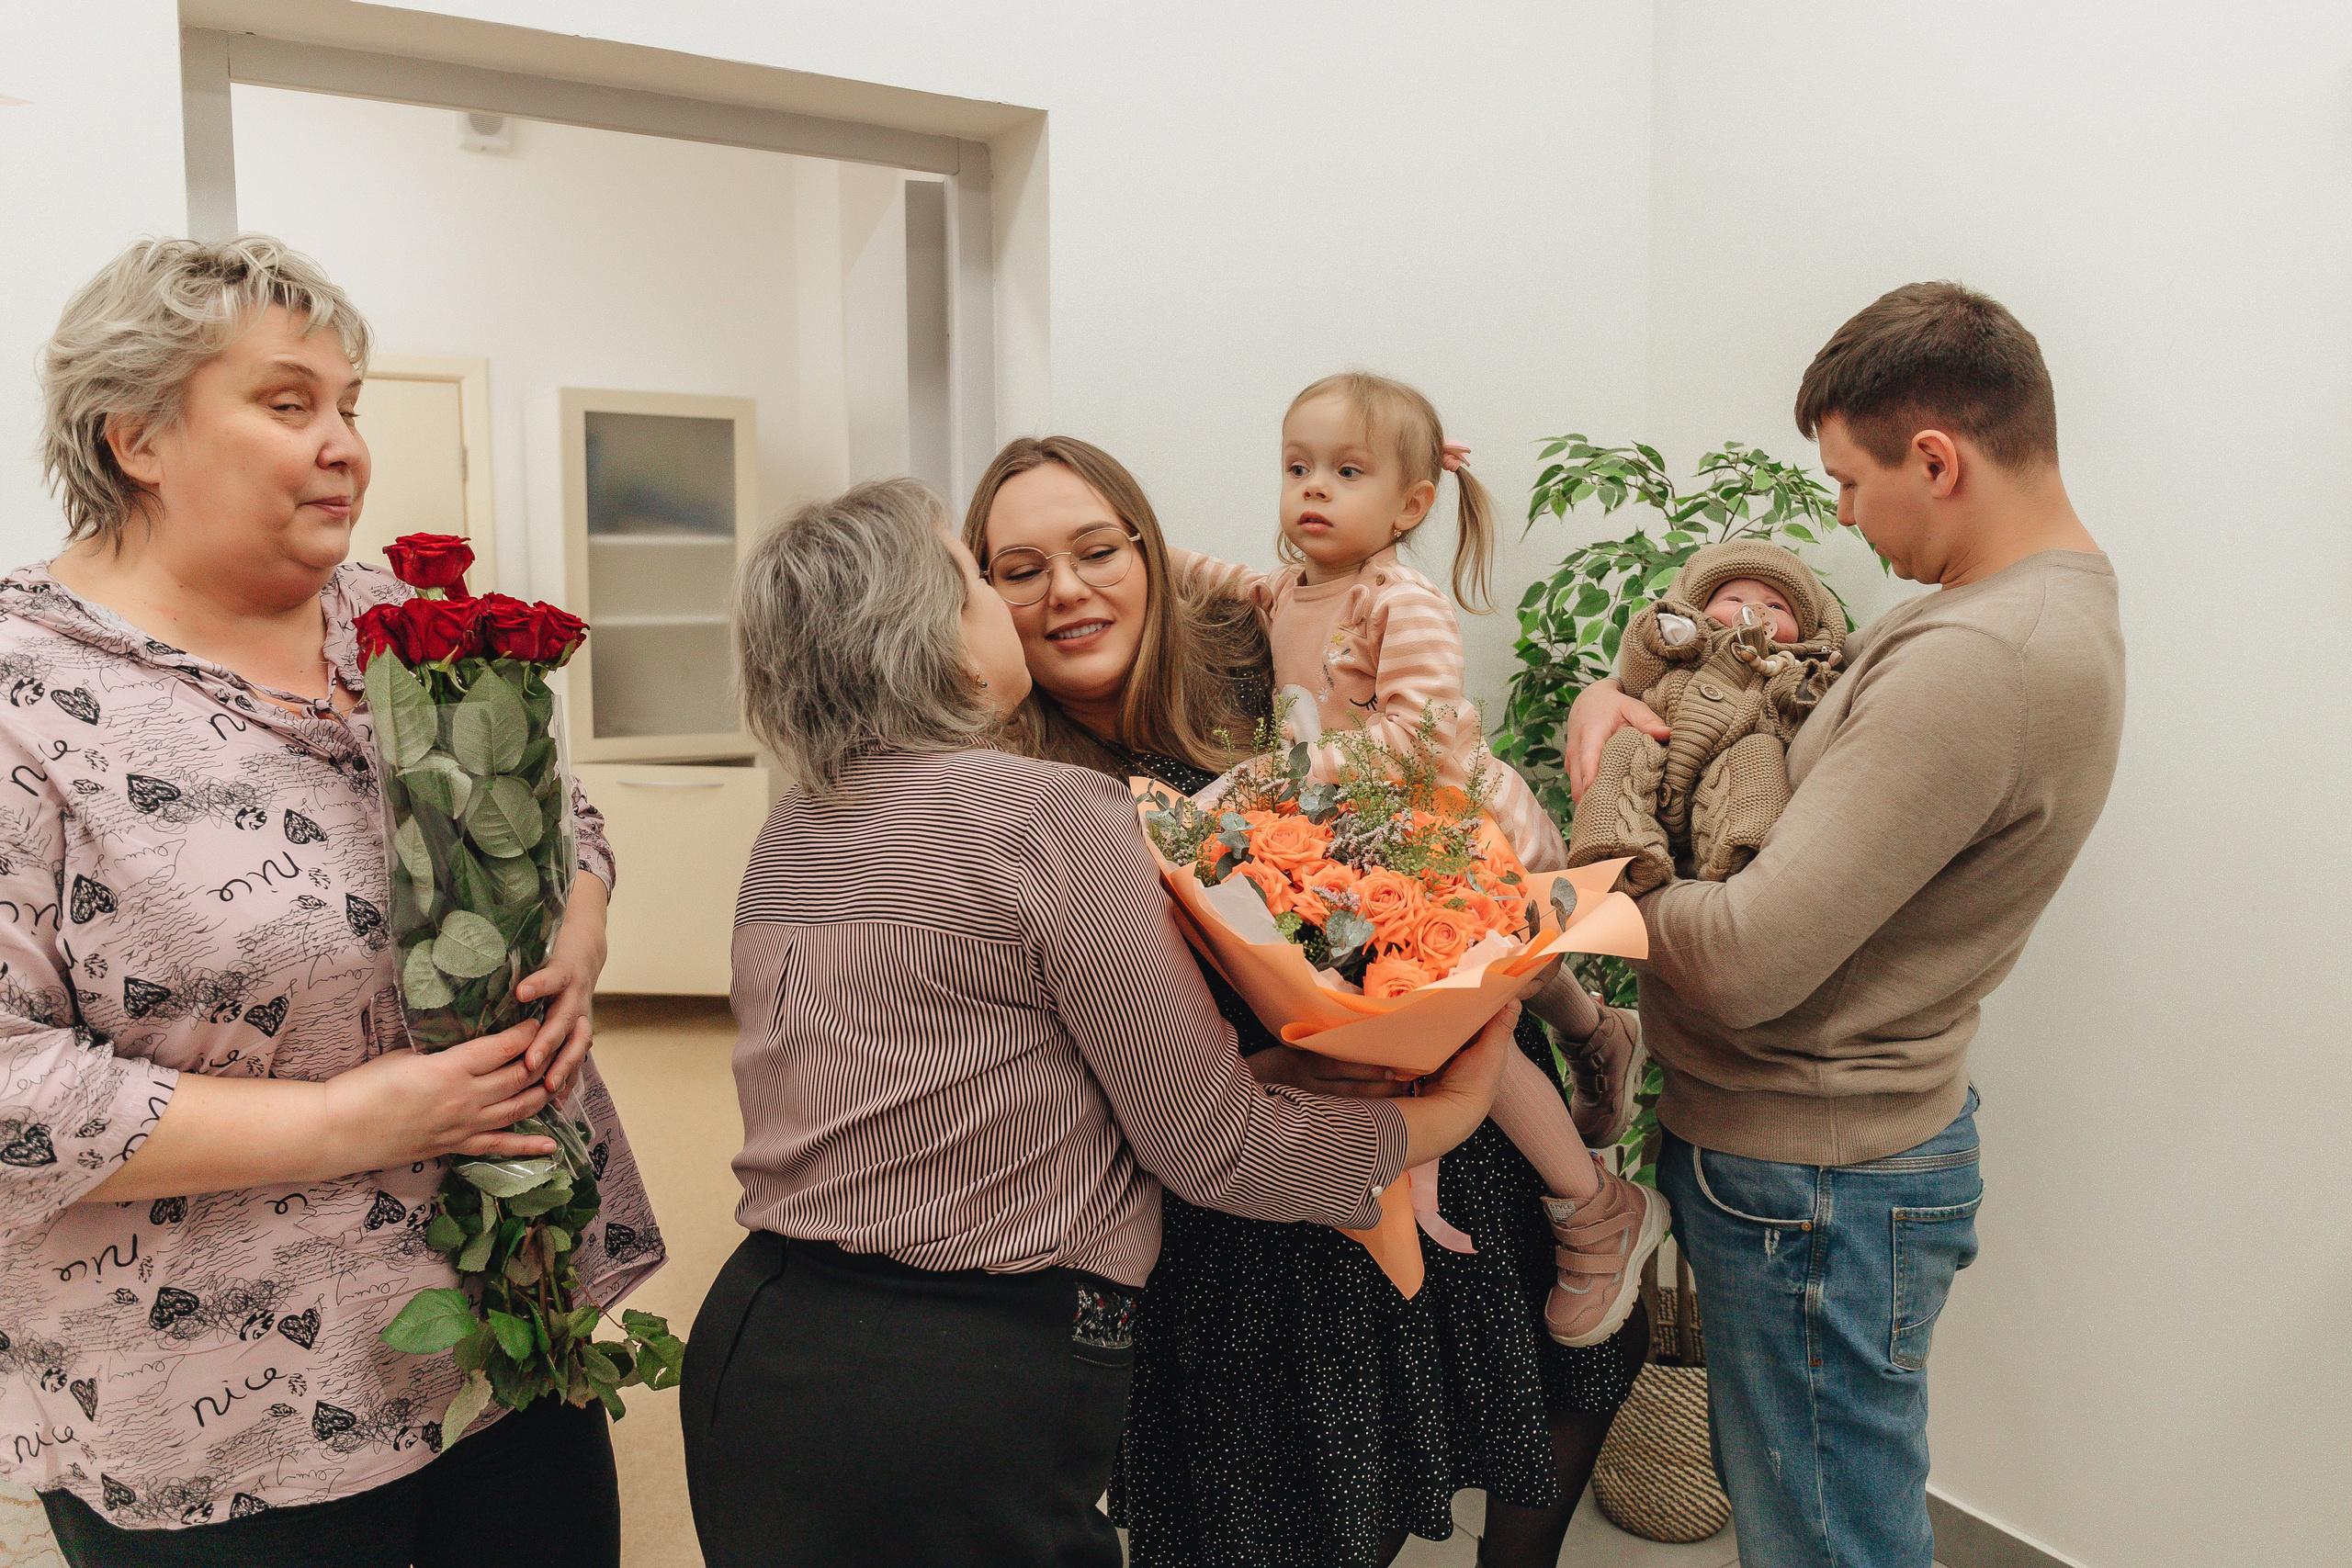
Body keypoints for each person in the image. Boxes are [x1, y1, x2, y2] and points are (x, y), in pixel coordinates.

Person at [680, 477, 1515, 1568]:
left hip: (759, 1339)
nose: (1016, 598)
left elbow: (952, 1066)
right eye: (987, 575)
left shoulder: (791, 826)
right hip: (961, 1377)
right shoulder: (1049, 812)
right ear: (931, 635)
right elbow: (1215, 1149)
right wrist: (1448, 1113)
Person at [0, 235, 663, 1568]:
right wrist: (348, 1119)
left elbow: (565, 819)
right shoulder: (27, 693)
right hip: (226, 1407)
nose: (346, 444)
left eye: (351, 404)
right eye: (289, 402)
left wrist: (576, 938)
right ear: (137, 435)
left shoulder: (403, 625)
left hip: (501, 1331)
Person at [967, 434, 1648, 1568]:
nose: (1069, 591)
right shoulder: (1003, 789)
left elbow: (1421, 695)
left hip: (1441, 1146)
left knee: (1531, 1447)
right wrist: (1253, 1079)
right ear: (981, 596)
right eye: (1020, 569)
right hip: (1227, 1237)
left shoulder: (1253, 664)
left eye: (1097, 550)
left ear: (1151, 553)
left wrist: (1615, 693)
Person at [1562, 281, 2124, 1568]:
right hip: (1832, 1160)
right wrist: (1622, 699)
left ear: (1938, 458)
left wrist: (1600, 885)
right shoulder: (1994, 612)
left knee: (1828, 1539)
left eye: (1848, 483)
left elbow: (1752, 954)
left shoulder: (1983, 653)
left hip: (1815, 1180)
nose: (1842, 519)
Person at [1169, 373, 1662, 1351]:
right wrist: (1126, 537)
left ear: (1410, 506)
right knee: (1514, 981)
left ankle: (1594, 1203)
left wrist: (1285, 774)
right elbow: (1196, 574)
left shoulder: (1402, 599)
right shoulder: (1286, 590)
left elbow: (1424, 733)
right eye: (1297, 467)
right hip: (1368, 839)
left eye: (1345, 472)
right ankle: (1597, 1033)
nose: (1313, 489)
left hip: (1448, 823)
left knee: (1469, 1002)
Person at [1564, 540, 1847, 893]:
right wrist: (1667, 633)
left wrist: (1806, 688)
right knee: (1624, 745)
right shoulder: (1687, 646)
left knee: (1758, 753)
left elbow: (1805, 711)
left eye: (1776, 606)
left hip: (1727, 764)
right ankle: (1617, 847)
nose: (1755, 611)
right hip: (1660, 745)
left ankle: (1741, 850)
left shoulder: (1786, 666)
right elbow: (1636, 672)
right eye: (1734, 600)